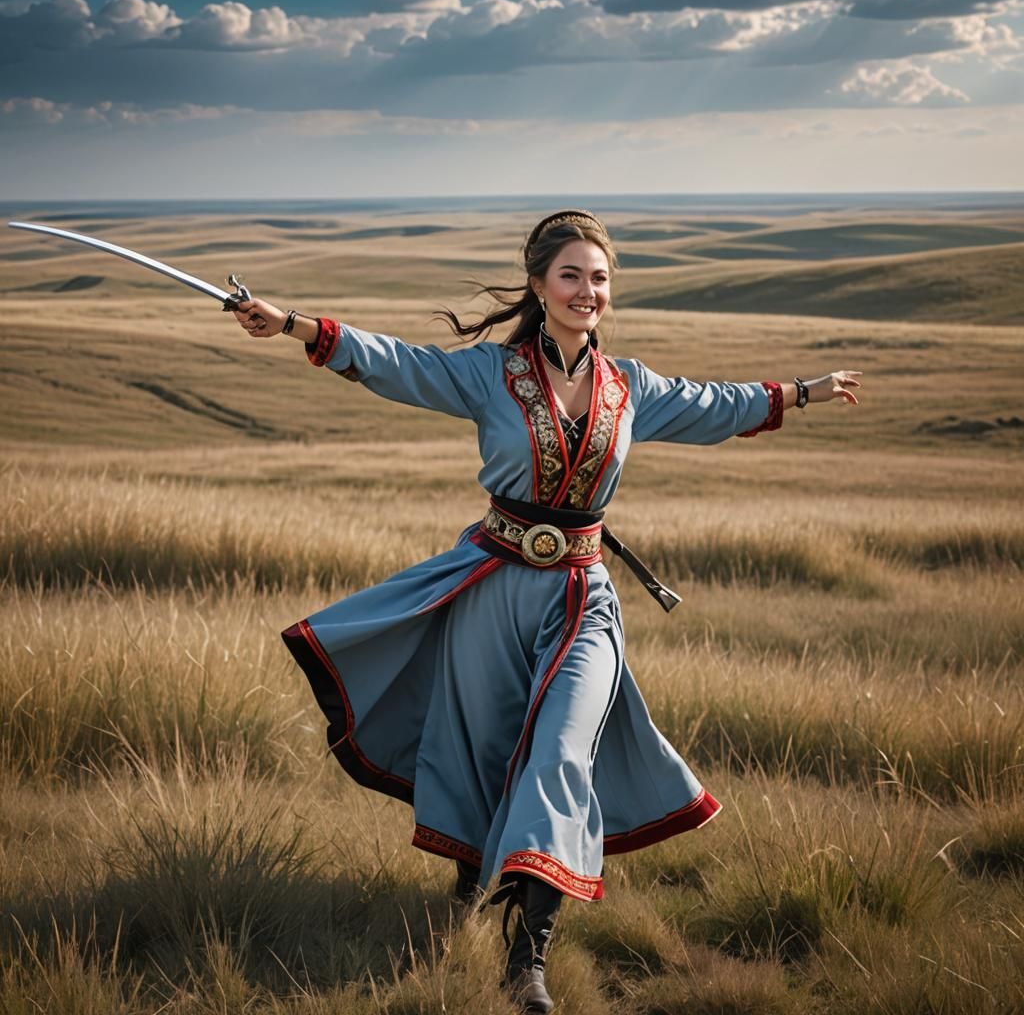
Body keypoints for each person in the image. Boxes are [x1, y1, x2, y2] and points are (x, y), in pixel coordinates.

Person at [230, 209, 862, 1014]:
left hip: (583, 597)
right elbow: (396, 362)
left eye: (599, 278)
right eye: (571, 275)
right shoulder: (487, 375)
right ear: (538, 285)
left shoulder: (633, 386)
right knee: (485, 750)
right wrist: (292, 325)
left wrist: (801, 392)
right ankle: (468, 888)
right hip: (492, 589)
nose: (587, 291)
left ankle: (527, 960)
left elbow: (716, 404)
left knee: (563, 753)